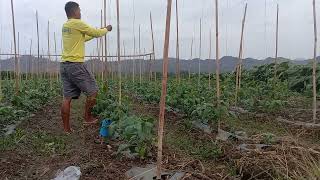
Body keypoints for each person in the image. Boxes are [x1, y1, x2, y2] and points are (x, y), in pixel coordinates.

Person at [61, 1, 112, 133]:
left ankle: (66, 129)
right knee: (93, 91)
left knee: (67, 98)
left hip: (64, 65)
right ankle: (87, 117)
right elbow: (95, 32)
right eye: (79, 10)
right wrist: (106, 29)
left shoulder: (66, 26)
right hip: (75, 65)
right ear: (74, 11)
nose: (80, 12)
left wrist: (96, 33)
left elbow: (83, 38)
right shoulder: (78, 23)